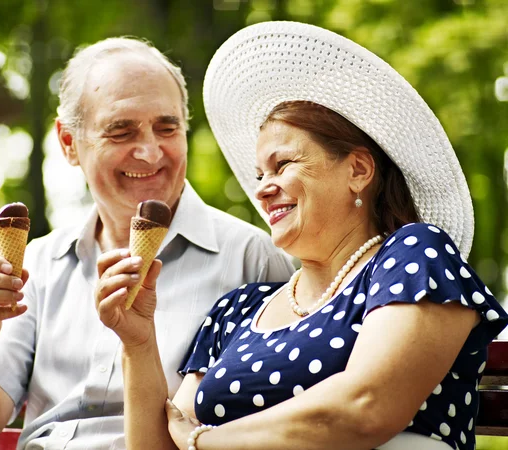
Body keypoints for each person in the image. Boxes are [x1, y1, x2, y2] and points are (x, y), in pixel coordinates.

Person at [98, 22, 508, 450]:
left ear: (358, 170)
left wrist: (207, 442)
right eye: (260, 174)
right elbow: (161, 447)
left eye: (283, 165)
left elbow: (366, 408)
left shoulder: (414, 255)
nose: (262, 187)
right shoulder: (237, 310)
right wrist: (138, 339)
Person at [0, 37, 294, 449]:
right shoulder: (39, 263)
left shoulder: (254, 260)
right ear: (69, 144)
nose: (149, 151)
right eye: (121, 131)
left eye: (167, 127)